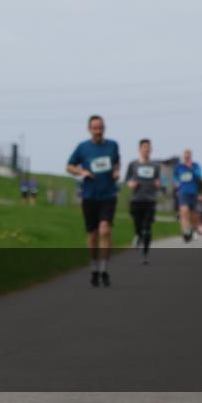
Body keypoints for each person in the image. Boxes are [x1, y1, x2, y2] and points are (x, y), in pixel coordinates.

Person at [67, 115, 120, 287]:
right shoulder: (83, 148)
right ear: (89, 129)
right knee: (92, 234)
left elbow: (117, 162)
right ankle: (94, 268)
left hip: (108, 195)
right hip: (89, 196)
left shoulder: (112, 145)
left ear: (104, 128)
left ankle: (104, 269)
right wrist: (81, 172)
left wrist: (117, 172)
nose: (98, 131)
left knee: (105, 231)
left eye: (100, 128)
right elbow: (69, 166)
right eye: (95, 128)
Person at [125, 139, 161, 264]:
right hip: (136, 200)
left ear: (150, 149)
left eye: (148, 147)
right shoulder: (133, 164)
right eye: (144, 147)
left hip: (150, 200)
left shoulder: (156, 166)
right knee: (138, 226)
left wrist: (158, 184)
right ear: (140, 149)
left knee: (147, 228)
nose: (146, 149)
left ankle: (145, 254)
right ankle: (137, 235)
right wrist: (131, 184)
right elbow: (127, 179)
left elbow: (159, 181)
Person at [173, 150, 202, 242]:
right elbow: (175, 177)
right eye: (185, 156)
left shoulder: (196, 165)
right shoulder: (179, 167)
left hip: (193, 193)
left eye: (188, 155)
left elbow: (199, 176)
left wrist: (191, 169)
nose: (186, 157)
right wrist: (176, 183)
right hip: (183, 192)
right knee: (184, 211)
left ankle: (193, 230)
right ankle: (186, 231)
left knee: (194, 215)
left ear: (190, 156)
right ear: (183, 157)